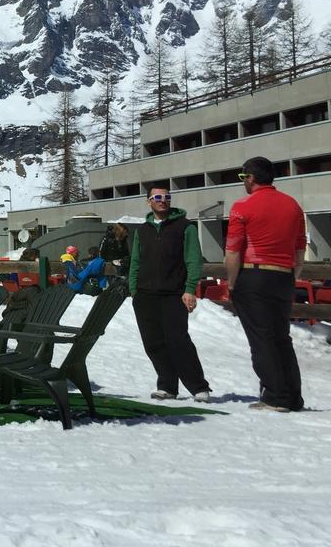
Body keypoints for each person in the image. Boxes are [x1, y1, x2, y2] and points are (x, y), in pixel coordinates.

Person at [225, 156, 307, 413]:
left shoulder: (242, 206)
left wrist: (231, 282)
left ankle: (274, 397)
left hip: (254, 275)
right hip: (283, 276)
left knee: (261, 338)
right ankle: (293, 396)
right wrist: (291, 277)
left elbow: (233, 251)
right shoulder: (293, 206)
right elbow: (300, 249)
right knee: (282, 337)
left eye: (243, 178)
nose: (243, 183)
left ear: (251, 178)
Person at [128, 186, 211, 403]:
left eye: (166, 197)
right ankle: (167, 385)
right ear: (149, 201)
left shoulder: (185, 227)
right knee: (153, 342)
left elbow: (193, 259)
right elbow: (135, 261)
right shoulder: (142, 230)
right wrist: (134, 289)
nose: (162, 200)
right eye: (157, 197)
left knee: (178, 340)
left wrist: (190, 289)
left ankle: (199, 387)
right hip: (145, 295)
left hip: (173, 294)